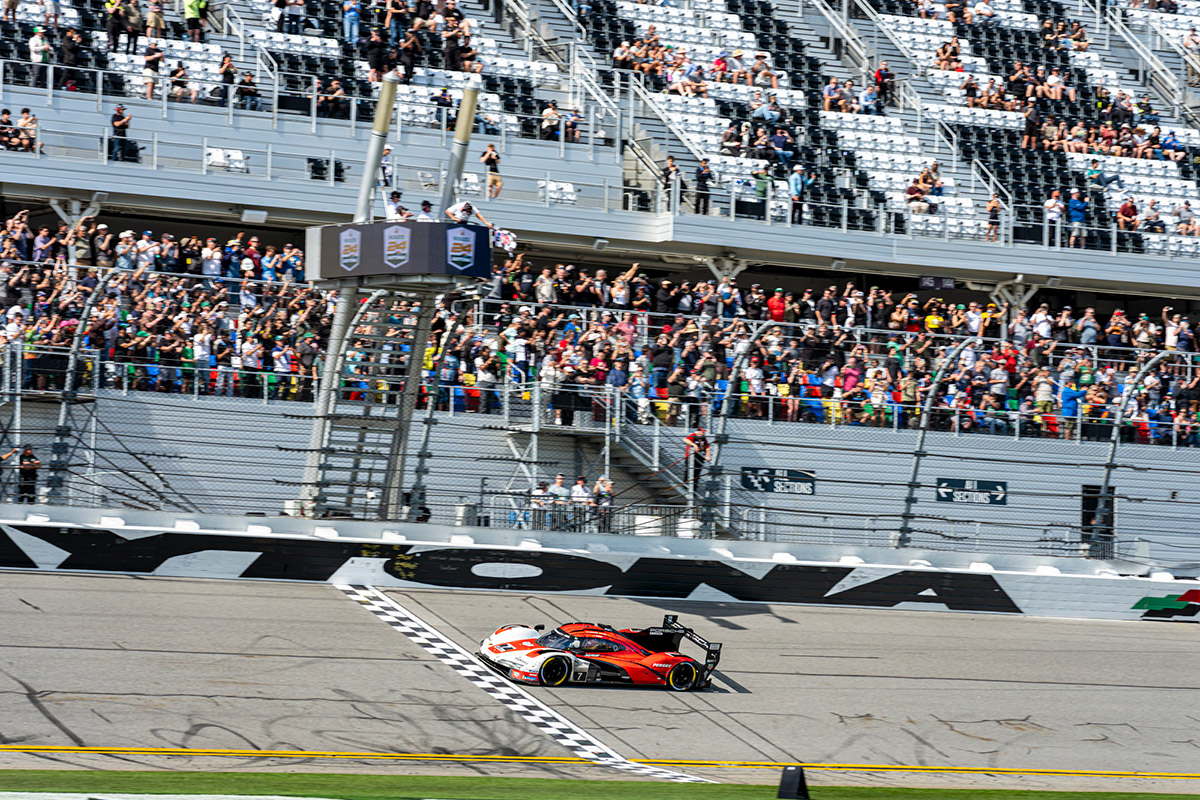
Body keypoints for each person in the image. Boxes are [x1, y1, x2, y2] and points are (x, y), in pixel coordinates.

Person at [683, 426, 709, 493]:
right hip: (691, 458)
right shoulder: (693, 435)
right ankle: (686, 486)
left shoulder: (703, 438)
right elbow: (685, 439)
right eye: (702, 432)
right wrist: (694, 445)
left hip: (700, 457)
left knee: (697, 473)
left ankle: (694, 489)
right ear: (698, 431)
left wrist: (708, 456)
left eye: (703, 432)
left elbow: (707, 447)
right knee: (688, 472)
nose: (703, 433)